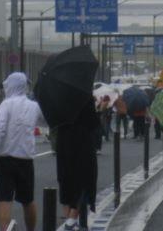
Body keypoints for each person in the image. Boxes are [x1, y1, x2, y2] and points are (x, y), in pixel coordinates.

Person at [0, 72, 45, 231]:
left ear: (9, 86)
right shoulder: (34, 106)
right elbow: (46, 121)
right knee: (28, 200)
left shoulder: (6, 104)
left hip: (5, 159)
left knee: (5, 199)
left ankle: (5, 229)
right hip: (26, 159)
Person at [56, 97, 98, 231]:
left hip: (63, 141)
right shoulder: (85, 97)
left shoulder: (58, 99)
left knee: (65, 179)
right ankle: (73, 219)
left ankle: (68, 219)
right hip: (83, 141)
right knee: (85, 179)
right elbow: (94, 123)